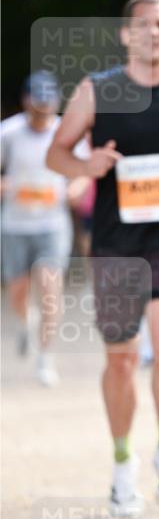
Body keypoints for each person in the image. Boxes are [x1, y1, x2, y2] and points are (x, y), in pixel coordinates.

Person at [47, 0, 159, 517]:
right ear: (125, 35)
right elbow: (57, 153)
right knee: (122, 358)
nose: (152, 32)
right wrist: (87, 167)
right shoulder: (99, 90)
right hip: (114, 244)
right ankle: (121, 464)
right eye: (142, 25)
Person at [1, 71, 87, 387]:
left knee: (50, 288)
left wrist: (77, 186)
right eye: (38, 104)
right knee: (18, 292)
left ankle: (45, 357)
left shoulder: (66, 132)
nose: (43, 110)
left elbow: (84, 168)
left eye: (48, 104)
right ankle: (27, 321)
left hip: (52, 224)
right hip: (14, 225)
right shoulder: (8, 134)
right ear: (26, 101)